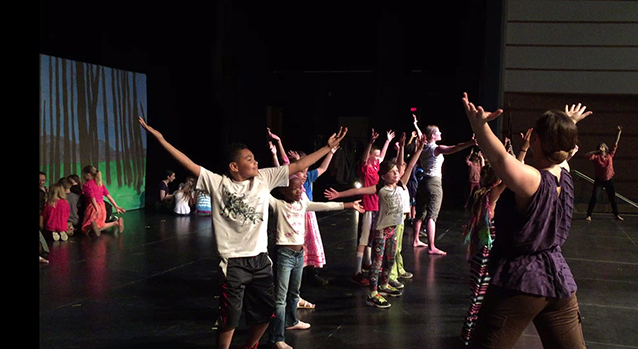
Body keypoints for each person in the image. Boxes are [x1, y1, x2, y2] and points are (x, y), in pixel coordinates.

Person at [138, 116, 347, 349]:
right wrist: (160, 139)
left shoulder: (263, 178)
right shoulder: (217, 183)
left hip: (260, 260)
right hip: (233, 263)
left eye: (255, 158)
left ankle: (250, 345)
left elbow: (298, 166)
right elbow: (188, 163)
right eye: (249, 159)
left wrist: (328, 148)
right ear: (234, 166)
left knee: (267, 312)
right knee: (230, 319)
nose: (256, 162)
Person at [462, 93, 588, 348]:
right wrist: (568, 123)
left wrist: (479, 125)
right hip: (558, 278)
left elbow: (499, 160)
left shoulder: (533, 180)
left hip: (522, 280)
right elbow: (563, 152)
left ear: (536, 140)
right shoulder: (563, 172)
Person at [325, 133, 425, 308]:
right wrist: (339, 195)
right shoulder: (379, 188)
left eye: (396, 172)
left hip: (394, 229)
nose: (396, 173)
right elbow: (358, 191)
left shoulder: (401, 185)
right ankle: (372, 293)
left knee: (390, 259)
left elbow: (410, 165)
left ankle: (384, 284)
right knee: (377, 262)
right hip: (381, 230)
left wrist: (421, 148)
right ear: (384, 175)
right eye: (393, 172)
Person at [268, 176, 363, 349]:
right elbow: (262, 191)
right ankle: (277, 338)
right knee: (280, 298)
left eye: (301, 188)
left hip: (298, 255)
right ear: (283, 190)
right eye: (295, 189)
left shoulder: (302, 204)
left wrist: (349, 205)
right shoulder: (278, 205)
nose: (300, 191)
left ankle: (292, 320)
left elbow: (324, 206)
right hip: (284, 255)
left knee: (294, 292)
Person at [412, 125, 476, 253]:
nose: (440, 133)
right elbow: (454, 148)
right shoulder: (436, 149)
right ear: (433, 136)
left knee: (420, 213)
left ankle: (416, 240)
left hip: (424, 181)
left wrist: (416, 124)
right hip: (434, 183)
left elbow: (421, 136)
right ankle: (432, 246)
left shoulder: (422, 147)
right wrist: (470, 143)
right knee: (432, 216)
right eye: (438, 132)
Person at [460, 164, 505, 345]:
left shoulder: (481, 195)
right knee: (479, 295)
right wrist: (523, 151)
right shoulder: (491, 196)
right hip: (485, 254)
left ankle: (471, 333)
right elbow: (509, 179)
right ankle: (468, 335)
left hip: (482, 252)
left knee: (480, 294)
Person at [351, 128, 394, 286]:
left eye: (377, 157)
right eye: (374, 156)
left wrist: (388, 141)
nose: (377, 158)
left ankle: (367, 262)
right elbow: (364, 158)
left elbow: (382, 157)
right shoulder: (365, 169)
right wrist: (370, 143)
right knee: (363, 239)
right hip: (367, 207)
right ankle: (356, 271)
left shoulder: (376, 168)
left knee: (372, 238)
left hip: (376, 207)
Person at [585, 125, 623, 221]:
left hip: (609, 179)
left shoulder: (610, 155)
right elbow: (587, 155)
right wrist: (597, 151)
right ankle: (588, 215)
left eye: (603, 146)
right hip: (599, 180)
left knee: (612, 198)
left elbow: (615, 143)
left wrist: (619, 133)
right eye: (600, 146)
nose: (602, 147)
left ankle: (616, 215)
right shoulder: (596, 157)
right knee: (594, 197)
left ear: (605, 148)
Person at [80, 165, 125, 236]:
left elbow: (92, 197)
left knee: (85, 228)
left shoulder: (87, 185)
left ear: (88, 174)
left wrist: (96, 209)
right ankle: (116, 223)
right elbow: (108, 196)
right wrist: (116, 206)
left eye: (84, 175)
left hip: (93, 207)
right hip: (102, 207)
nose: (83, 176)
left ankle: (92, 225)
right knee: (101, 225)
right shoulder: (100, 184)